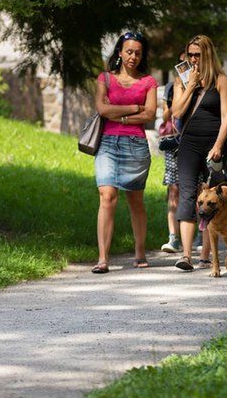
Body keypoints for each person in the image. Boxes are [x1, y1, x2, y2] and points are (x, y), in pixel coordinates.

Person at [91, 32, 158, 274]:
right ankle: (103, 258)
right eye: (129, 51)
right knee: (107, 197)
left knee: (135, 201)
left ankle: (140, 251)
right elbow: (101, 109)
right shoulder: (105, 78)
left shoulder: (149, 82)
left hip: (136, 145)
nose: (133, 57)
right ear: (119, 52)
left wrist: (118, 113)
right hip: (108, 143)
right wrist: (133, 108)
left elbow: (150, 114)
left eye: (138, 53)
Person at [169, 35, 227, 271]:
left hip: (213, 143)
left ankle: (207, 255)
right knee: (186, 193)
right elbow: (177, 112)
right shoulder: (181, 81)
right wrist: (191, 85)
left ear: (208, 55)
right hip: (189, 143)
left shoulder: (221, 80)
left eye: (198, 54)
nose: (194, 59)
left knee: (212, 197)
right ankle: (186, 256)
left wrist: (218, 145)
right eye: (191, 55)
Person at [159, 53, 184, 254]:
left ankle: (198, 235)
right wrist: (175, 96)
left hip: (194, 141)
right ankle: (173, 237)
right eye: (183, 62)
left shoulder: (204, 85)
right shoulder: (170, 87)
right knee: (174, 190)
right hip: (174, 142)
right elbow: (168, 115)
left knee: (194, 188)